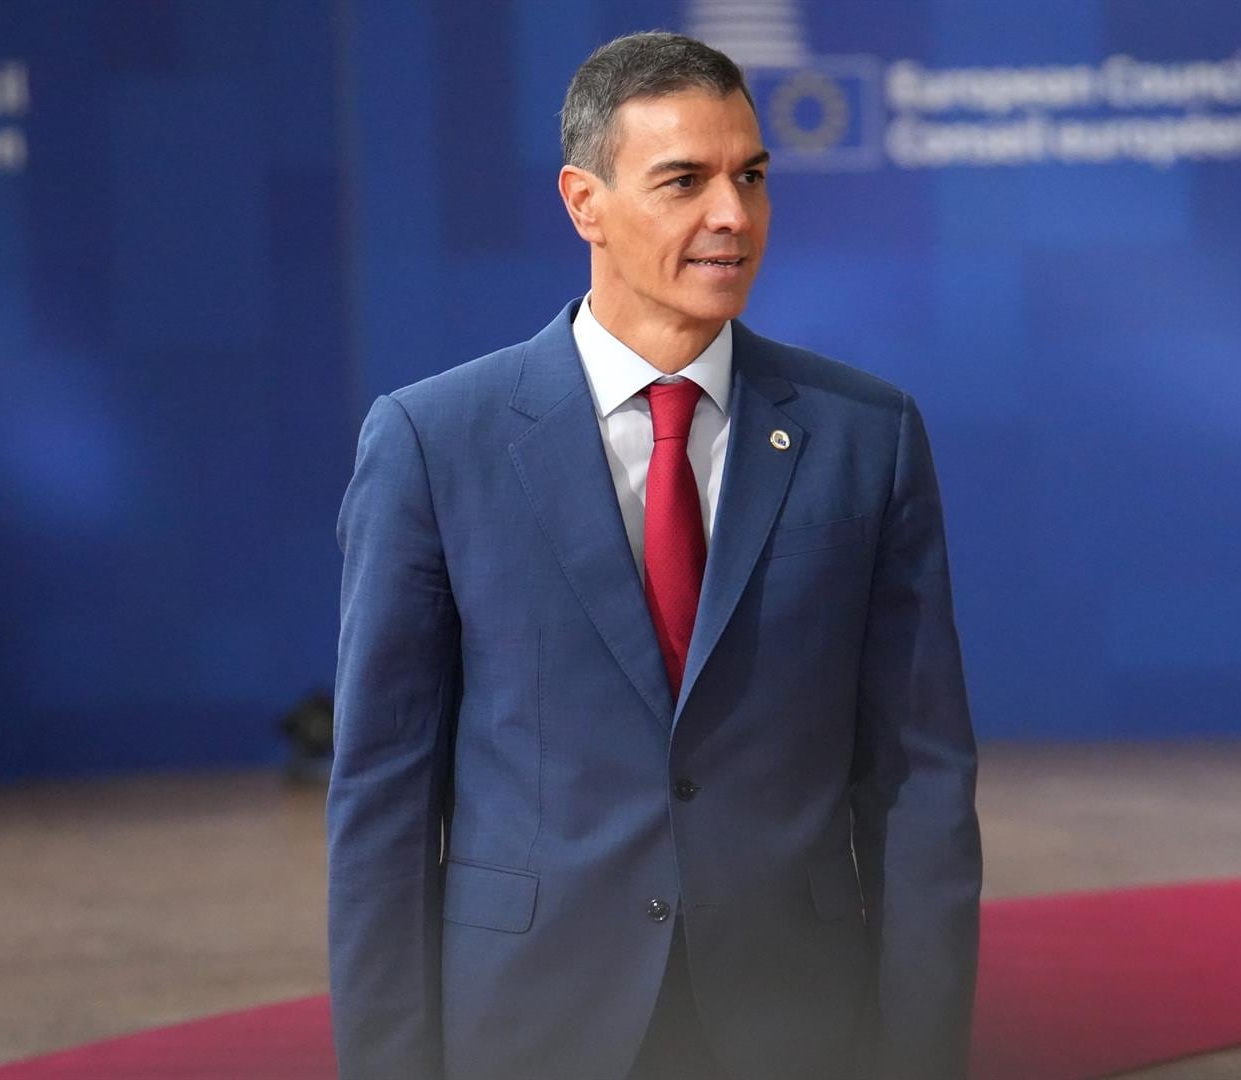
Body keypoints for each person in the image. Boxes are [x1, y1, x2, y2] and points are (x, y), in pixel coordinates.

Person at [327, 30, 981, 1080]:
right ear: (584, 203)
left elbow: (919, 780)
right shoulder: (433, 442)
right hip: (533, 1025)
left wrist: (924, 1054)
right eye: (685, 181)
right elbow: (384, 798)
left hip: (797, 1022)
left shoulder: (869, 434)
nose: (733, 216)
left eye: (750, 177)